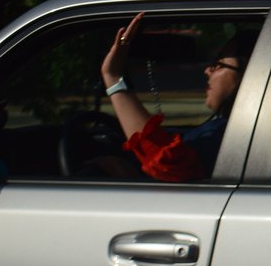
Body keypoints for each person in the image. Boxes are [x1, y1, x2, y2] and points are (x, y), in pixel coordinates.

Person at [99, 12, 257, 181]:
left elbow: (166, 161)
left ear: (249, 75)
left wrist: (112, 76)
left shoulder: (229, 135)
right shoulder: (240, 129)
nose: (207, 70)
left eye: (218, 65)